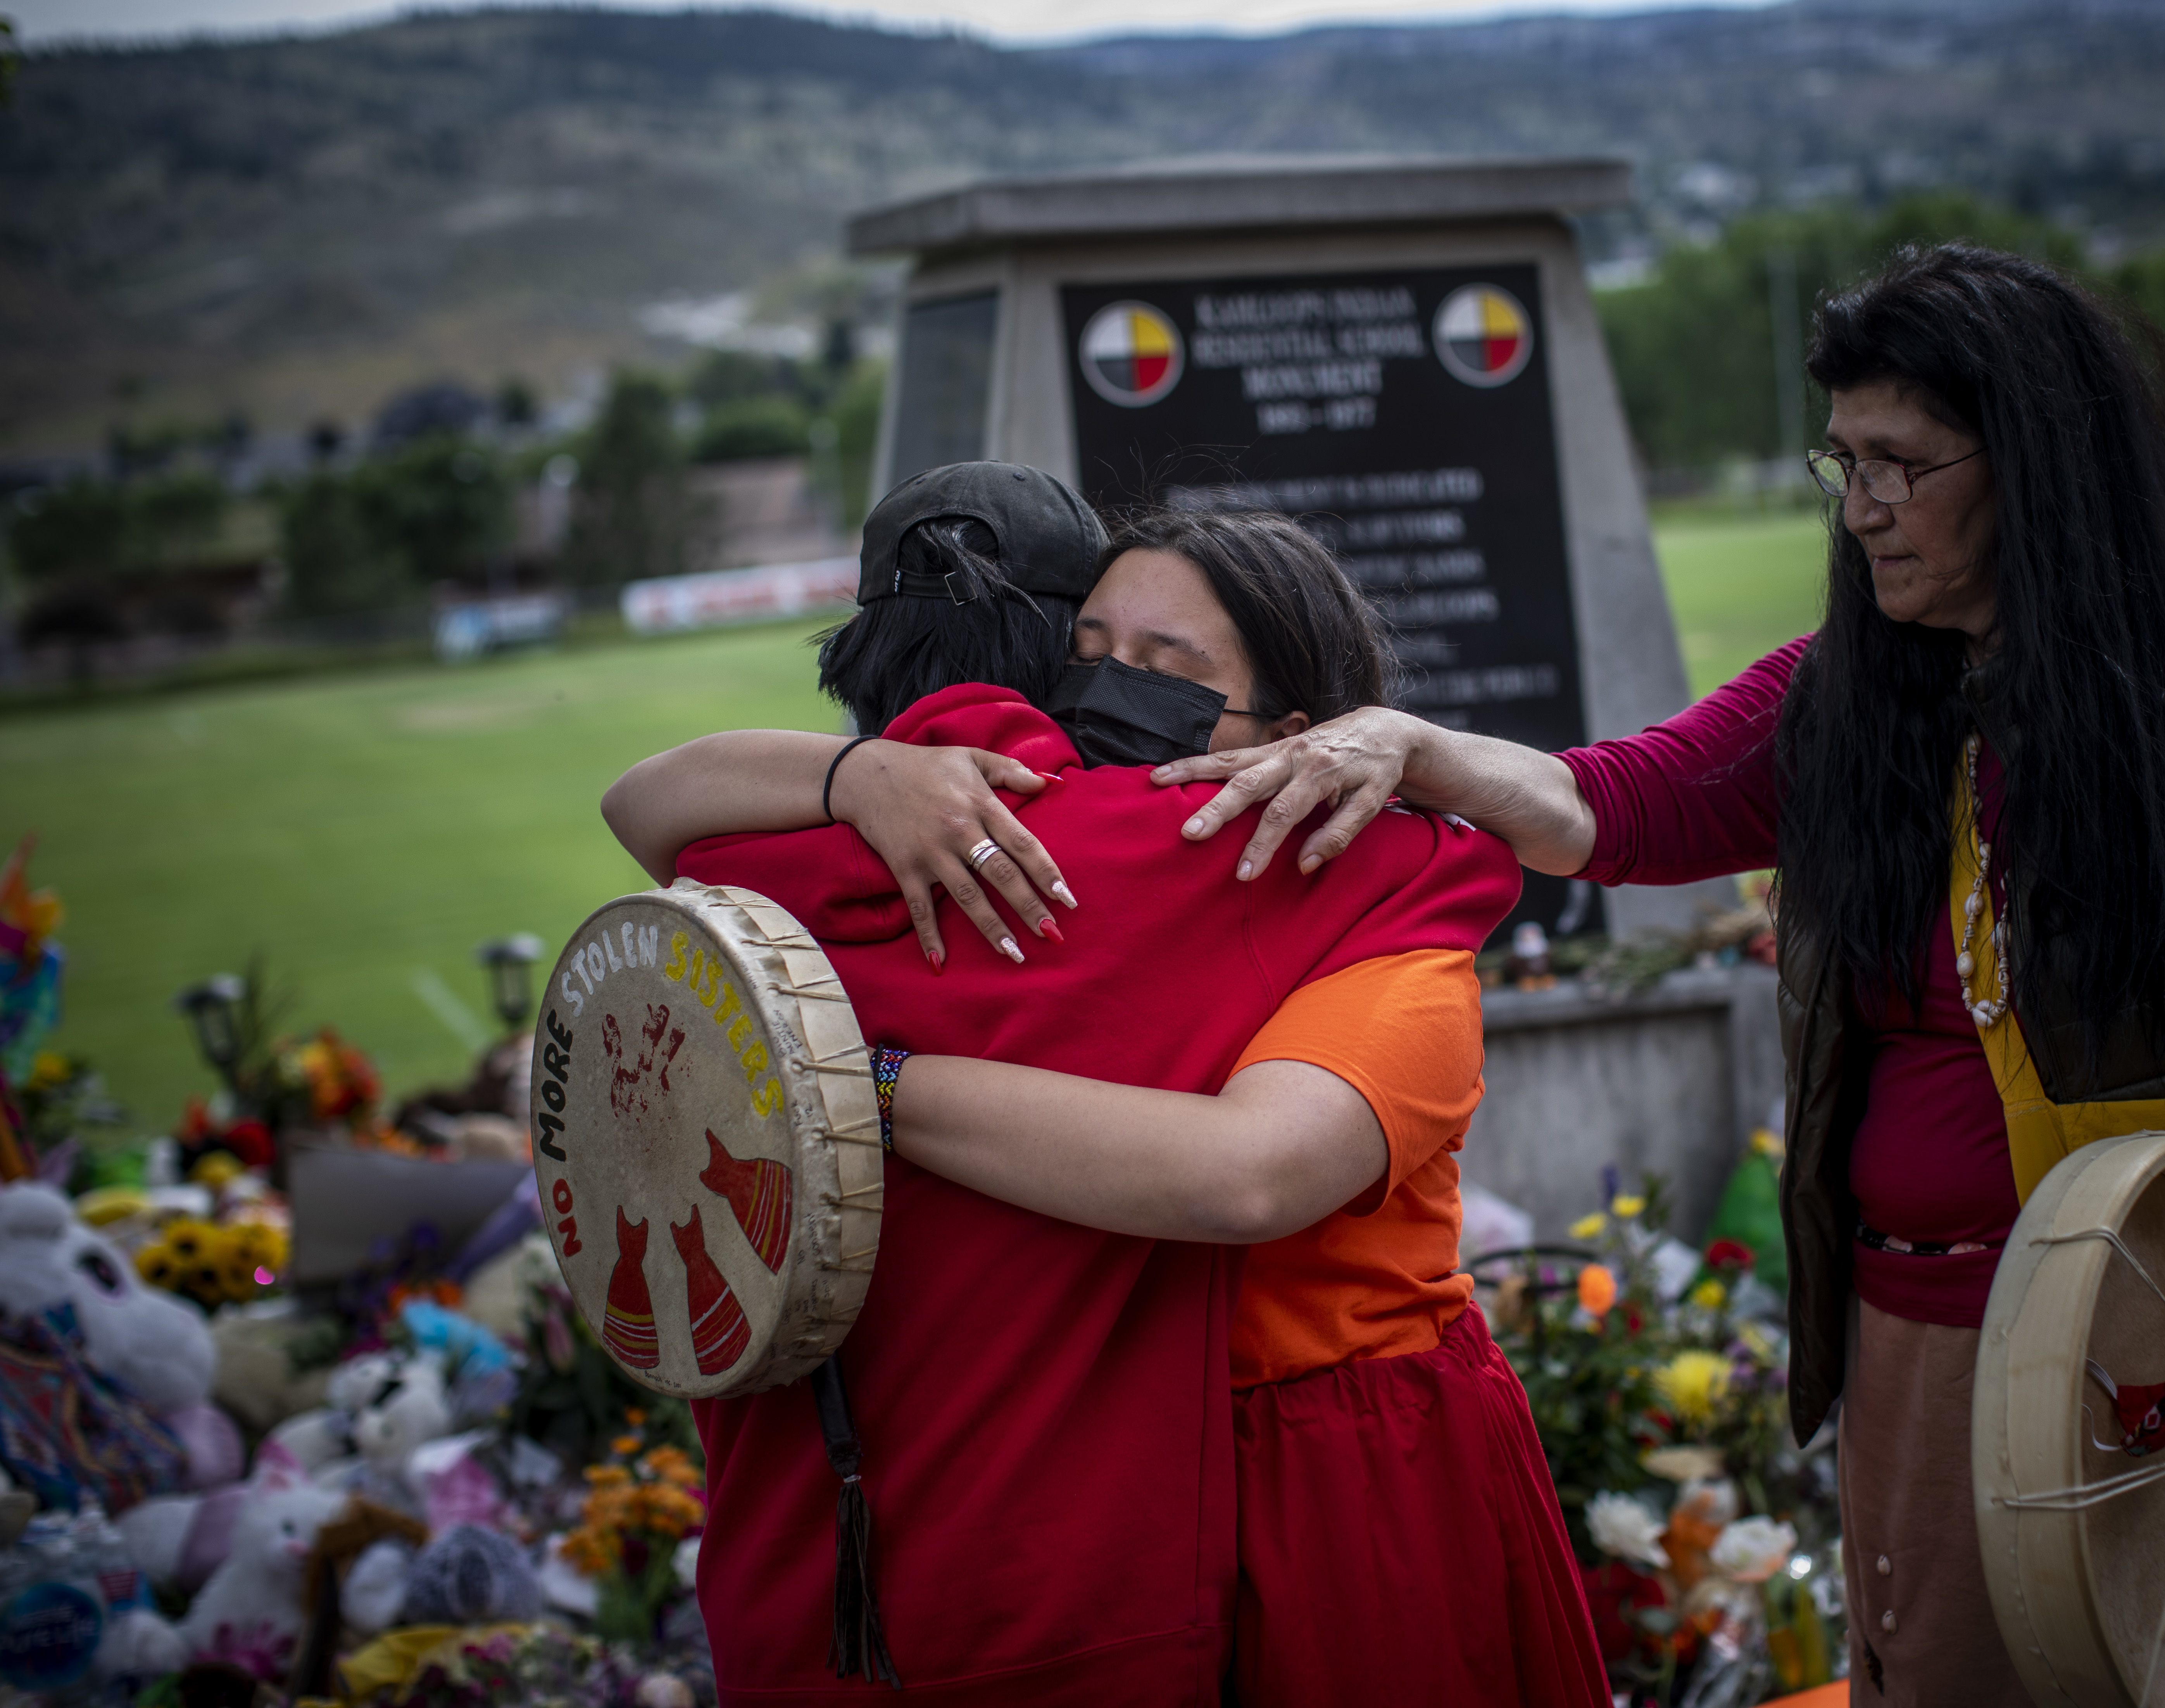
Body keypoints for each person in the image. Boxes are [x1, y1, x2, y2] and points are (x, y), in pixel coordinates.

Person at [880, 248, 2165, 1701]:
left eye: (1900, 465)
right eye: (1843, 461)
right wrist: (1414, 744)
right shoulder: (1847, 693)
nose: (1857, 507)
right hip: (1915, 1334)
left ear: (2041, 474)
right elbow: (1608, 807)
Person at [608, 480, 1608, 1705]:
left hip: (1348, 1463)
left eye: (1160, 664)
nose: (1105, 692)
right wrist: (863, 776)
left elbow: (1249, 1174)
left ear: (1302, 731)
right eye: (1088, 652)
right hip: (1139, 1480)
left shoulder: (1374, 915)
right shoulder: (1076, 860)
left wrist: (832, 1076)